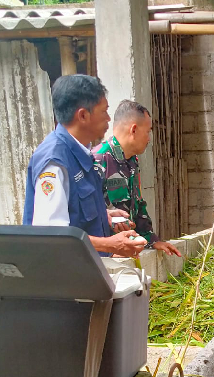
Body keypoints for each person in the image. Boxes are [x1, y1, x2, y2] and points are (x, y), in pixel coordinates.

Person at [22, 75, 145, 258]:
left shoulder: (81, 153)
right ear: (83, 115)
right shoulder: (55, 161)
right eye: (104, 111)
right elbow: (53, 236)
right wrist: (111, 244)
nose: (108, 119)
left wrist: (104, 216)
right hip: (63, 279)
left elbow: (73, 210)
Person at [92, 100, 181, 257]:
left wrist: (152, 241)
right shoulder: (98, 160)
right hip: (106, 256)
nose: (149, 139)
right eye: (148, 132)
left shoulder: (131, 161)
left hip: (127, 251)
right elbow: (86, 214)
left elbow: (137, 204)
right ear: (134, 129)